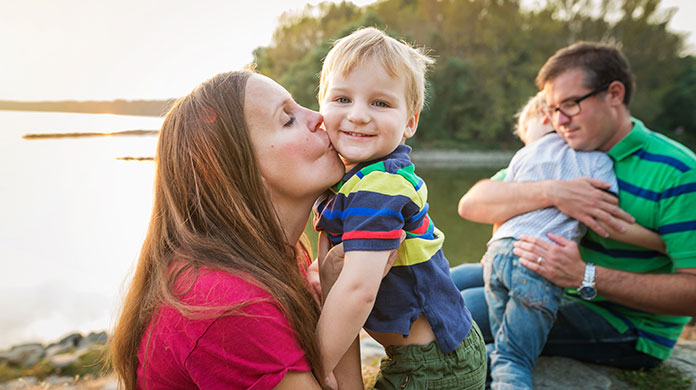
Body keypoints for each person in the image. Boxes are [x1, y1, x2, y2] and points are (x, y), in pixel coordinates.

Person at [110, 69, 372, 389]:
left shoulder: (278, 259)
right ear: (236, 169)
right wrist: (338, 301)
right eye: (287, 119)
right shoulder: (224, 304)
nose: (319, 117)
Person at [455, 41, 696, 378]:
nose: (560, 119)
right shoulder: (564, 147)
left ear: (614, 94)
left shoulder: (678, 172)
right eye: (553, 108)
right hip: (545, 278)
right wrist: (554, 192)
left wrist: (586, 275)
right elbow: (474, 202)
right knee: (445, 283)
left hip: (623, 323)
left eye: (571, 104)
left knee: (459, 312)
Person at [313, 27, 486, 390]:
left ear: (410, 121)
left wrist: (315, 366)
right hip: (426, 354)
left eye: (380, 103)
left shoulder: (381, 186)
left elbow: (358, 290)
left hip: (435, 365)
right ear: (321, 106)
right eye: (342, 99)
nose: (358, 115)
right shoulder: (354, 180)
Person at [473, 90, 665, 390]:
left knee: (501, 344)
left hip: (501, 252)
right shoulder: (597, 161)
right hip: (535, 264)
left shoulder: (525, 155)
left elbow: (501, 205)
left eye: (526, 130)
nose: (525, 139)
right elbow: (606, 220)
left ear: (546, 117)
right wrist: (659, 242)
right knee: (514, 358)